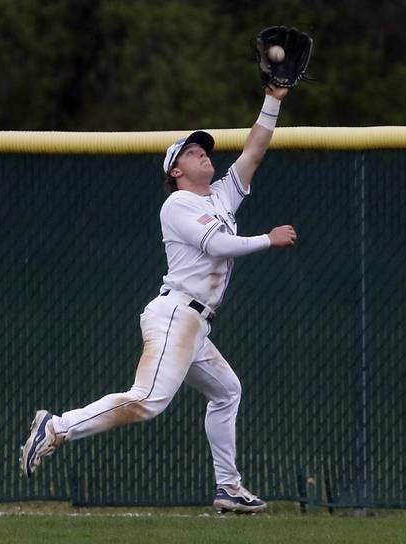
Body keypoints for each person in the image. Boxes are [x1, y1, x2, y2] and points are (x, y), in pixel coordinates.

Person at [19, 84, 296, 514]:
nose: (203, 152)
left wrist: (273, 99)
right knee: (147, 401)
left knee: (227, 392)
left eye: (203, 149)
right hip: (175, 315)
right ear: (176, 171)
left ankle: (228, 487)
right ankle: (56, 427)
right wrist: (266, 240)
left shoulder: (220, 195)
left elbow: (254, 151)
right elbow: (218, 245)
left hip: (195, 323)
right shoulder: (178, 204)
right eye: (191, 152)